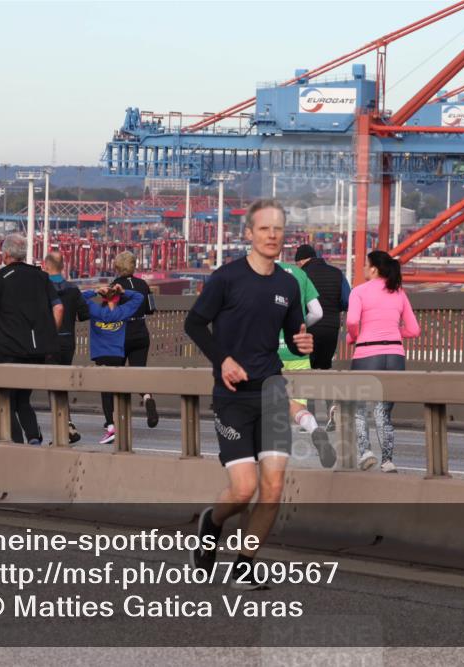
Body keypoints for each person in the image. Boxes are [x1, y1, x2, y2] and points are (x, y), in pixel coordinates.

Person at [184, 198, 314, 591]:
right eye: (264, 229)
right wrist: (222, 359)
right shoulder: (226, 278)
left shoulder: (288, 284)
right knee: (244, 489)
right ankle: (213, 521)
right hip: (233, 397)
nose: (273, 235)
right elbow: (194, 323)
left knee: (272, 487)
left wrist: (305, 344)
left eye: (278, 229)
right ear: (249, 234)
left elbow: (294, 339)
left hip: (272, 392)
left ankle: (244, 563)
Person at [0, 234, 64, 445]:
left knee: (7, 400)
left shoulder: (0, 278)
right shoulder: (41, 276)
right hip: (38, 350)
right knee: (23, 397)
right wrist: (50, 333)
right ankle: (33, 437)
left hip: (9, 350)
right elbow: (58, 308)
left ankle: (17, 444)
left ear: (5, 254)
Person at [346, 250, 421, 473]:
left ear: (374, 269)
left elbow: (351, 320)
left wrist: (354, 335)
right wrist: (395, 332)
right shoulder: (398, 292)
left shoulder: (359, 291)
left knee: (359, 408)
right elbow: (415, 330)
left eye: (364, 265)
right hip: (396, 356)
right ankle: (387, 461)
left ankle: (366, 452)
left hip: (368, 354)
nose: (362, 269)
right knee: (384, 412)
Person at [275, 259, 335, 468]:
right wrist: (298, 328)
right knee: (298, 405)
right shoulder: (300, 275)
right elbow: (317, 312)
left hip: (270, 352)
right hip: (298, 353)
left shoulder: (261, 274)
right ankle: (315, 431)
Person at [295, 243, 350, 430]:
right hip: (331, 328)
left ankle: (309, 419)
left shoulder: (302, 275)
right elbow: (346, 301)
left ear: (301, 260)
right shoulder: (337, 273)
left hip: (308, 328)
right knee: (325, 369)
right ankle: (331, 411)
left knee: (307, 371)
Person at [82, 283, 145, 444]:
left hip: (101, 356)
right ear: (117, 299)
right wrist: (124, 291)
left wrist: (95, 291)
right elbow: (139, 297)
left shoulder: (96, 311)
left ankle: (111, 426)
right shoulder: (122, 312)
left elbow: (79, 298)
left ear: (103, 297)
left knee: (106, 392)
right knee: (117, 389)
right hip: (117, 355)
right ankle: (120, 422)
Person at [111, 251, 159, 428]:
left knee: (115, 374)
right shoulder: (143, 284)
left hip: (121, 333)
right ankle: (147, 397)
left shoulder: (115, 285)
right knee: (139, 372)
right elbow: (151, 309)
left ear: (117, 267)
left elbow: (108, 310)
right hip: (140, 332)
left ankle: (117, 419)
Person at [45, 251, 89, 444]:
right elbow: (84, 314)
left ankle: (63, 428)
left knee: (52, 386)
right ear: (63, 266)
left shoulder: (42, 288)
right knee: (62, 384)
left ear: (46, 266)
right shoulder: (73, 289)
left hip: (49, 343)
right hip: (68, 342)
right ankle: (67, 425)